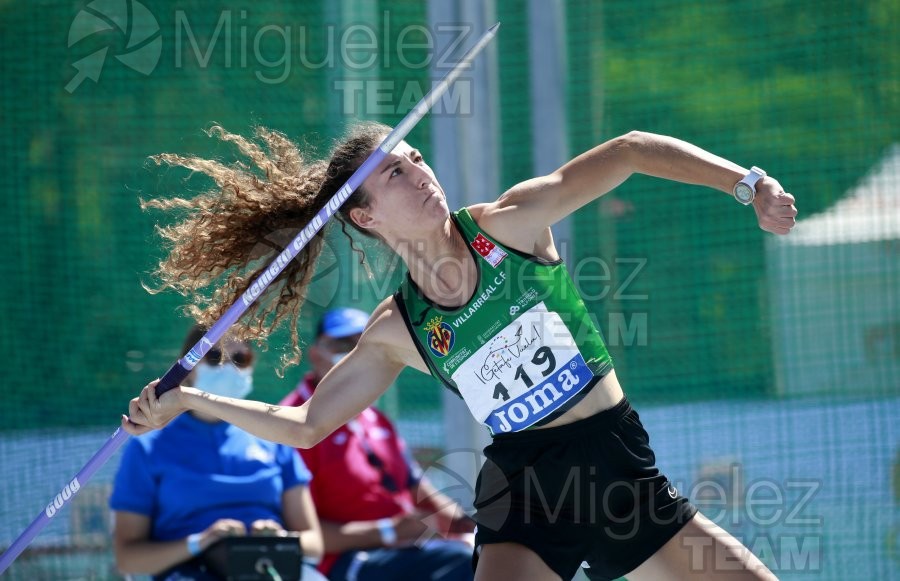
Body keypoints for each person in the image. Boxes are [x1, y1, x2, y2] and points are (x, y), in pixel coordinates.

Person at [124, 122, 797, 580]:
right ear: (365, 216)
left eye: (416, 157)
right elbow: (306, 427)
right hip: (525, 489)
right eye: (394, 172)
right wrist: (187, 398)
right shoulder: (396, 329)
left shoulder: (509, 224)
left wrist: (749, 183)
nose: (419, 171)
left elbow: (630, 150)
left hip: (617, 468)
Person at [110, 325, 326, 581]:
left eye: (240, 358)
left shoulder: (275, 437)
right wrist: (201, 542)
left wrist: (279, 539)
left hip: (267, 567)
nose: (228, 367)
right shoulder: (148, 445)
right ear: (186, 371)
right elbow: (128, 557)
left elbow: (315, 545)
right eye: (214, 357)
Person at [279, 307, 475, 580]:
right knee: (461, 562)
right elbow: (302, 534)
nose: (351, 355)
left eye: (360, 345)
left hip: (405, 546)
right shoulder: (291, 426)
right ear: (315, 354)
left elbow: (415, 484)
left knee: (490, 551)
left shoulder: (374, 416)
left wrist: (466, 523)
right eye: (341, 344)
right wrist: (389, 530)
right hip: (345, 562)